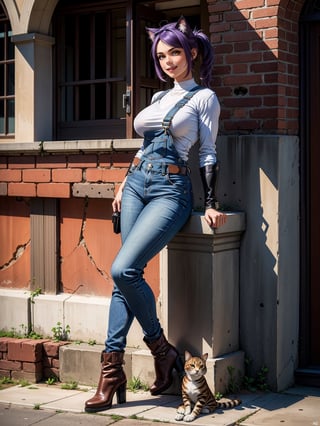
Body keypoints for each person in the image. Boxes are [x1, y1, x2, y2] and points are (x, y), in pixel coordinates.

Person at [85, 16, 227, 413]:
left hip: (171, 190)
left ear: (192, 53)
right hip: (135, 185)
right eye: (161, 55)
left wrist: (211, 201)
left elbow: (209, 152)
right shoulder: (156, 99)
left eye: (175, 52)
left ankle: (160, 352)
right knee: (123, 280)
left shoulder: (204, 98)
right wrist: (123, 180)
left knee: (123, 270)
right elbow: (143, 145)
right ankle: (115, 372)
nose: (167, 60)